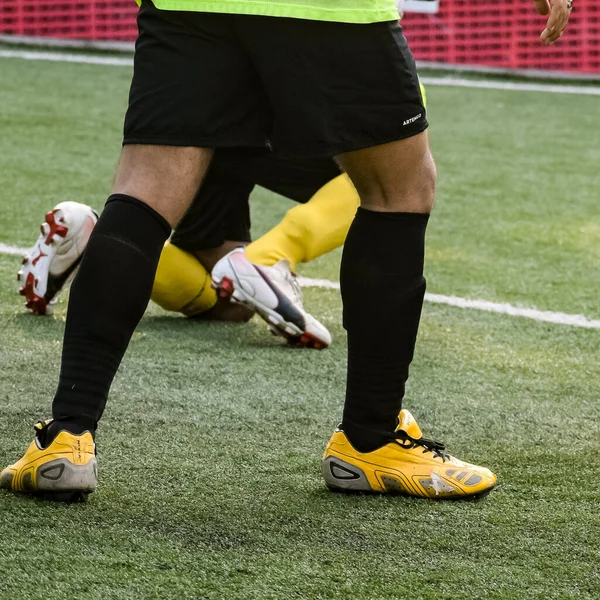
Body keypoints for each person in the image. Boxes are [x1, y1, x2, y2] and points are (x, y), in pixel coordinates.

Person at [0, 0, 570, 501]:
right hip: (322, 9)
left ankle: (65, 437)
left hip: (191, 4)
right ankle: (370, 440)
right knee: (399, 190)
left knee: (144, 192)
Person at [18, 151, 365, 348]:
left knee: (230, 305)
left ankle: (97, 236)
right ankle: (268, 260)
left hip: (202, 118)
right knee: (388, 179)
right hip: (285, 102)